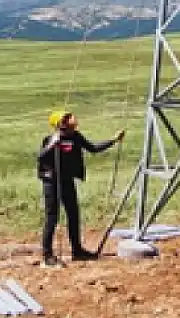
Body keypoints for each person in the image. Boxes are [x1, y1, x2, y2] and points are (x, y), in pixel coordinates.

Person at [36, 110, 123, 267]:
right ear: (60, 124)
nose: (73, 119)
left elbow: (93, 148)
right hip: (51, 182)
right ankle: (47, 255)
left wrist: (114, 140)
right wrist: (52, 145)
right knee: (52, 217)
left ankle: (77, 251)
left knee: (73, 214)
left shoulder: (76, 137)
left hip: (67, 180)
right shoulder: (51, 139)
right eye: (68, 118)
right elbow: (40, 157)